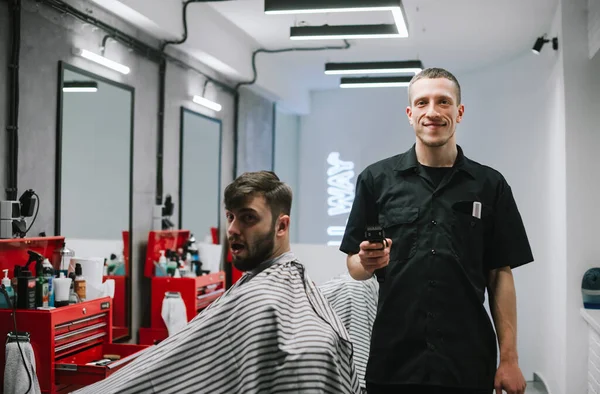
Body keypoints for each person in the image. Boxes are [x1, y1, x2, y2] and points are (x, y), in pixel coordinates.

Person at [74, 171, 361, 394]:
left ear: (281, 226)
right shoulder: (261, 285)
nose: (233, 229)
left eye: (248, 218)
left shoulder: (270, 305)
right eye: (230, 217)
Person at [340, 68, 534, 394]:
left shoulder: (490, 185)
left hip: (468, 363)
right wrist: (367, 262)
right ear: (410, 113)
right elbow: (354, 266)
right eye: (422, 102)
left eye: (443, 102)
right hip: (394, 363)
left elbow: (500, 273)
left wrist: (510, 360)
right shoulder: (376, 180)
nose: (433, 112)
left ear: (459, 112)